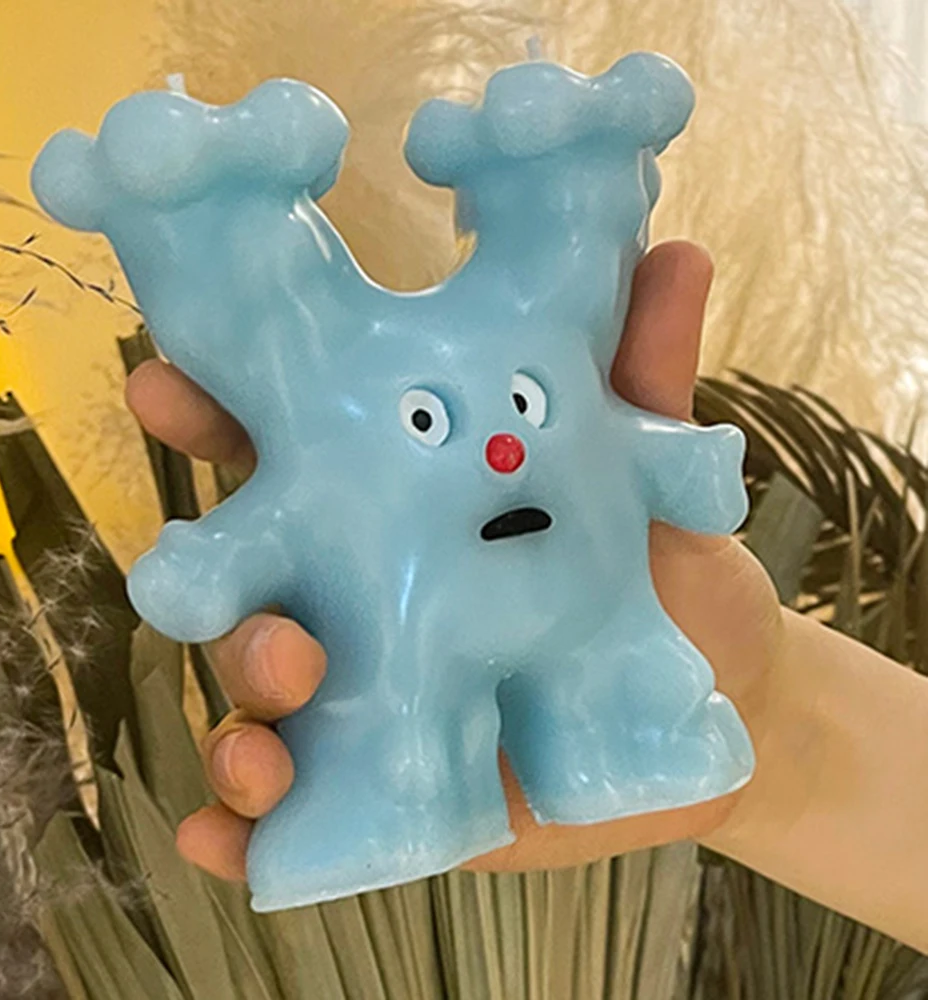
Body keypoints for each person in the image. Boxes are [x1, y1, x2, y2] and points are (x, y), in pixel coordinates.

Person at [125, 240, 928, 955]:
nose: (505, 450)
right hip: (411, 677)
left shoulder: (561, 362)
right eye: (427, 420)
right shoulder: (316, 432)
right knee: (376, 717)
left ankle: (617, 736)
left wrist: (686, 468)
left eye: (523, 404)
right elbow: (271, 525)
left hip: (610, 644)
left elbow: (656, 459)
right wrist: (773, 710)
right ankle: (390, 788)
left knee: (611, 673)